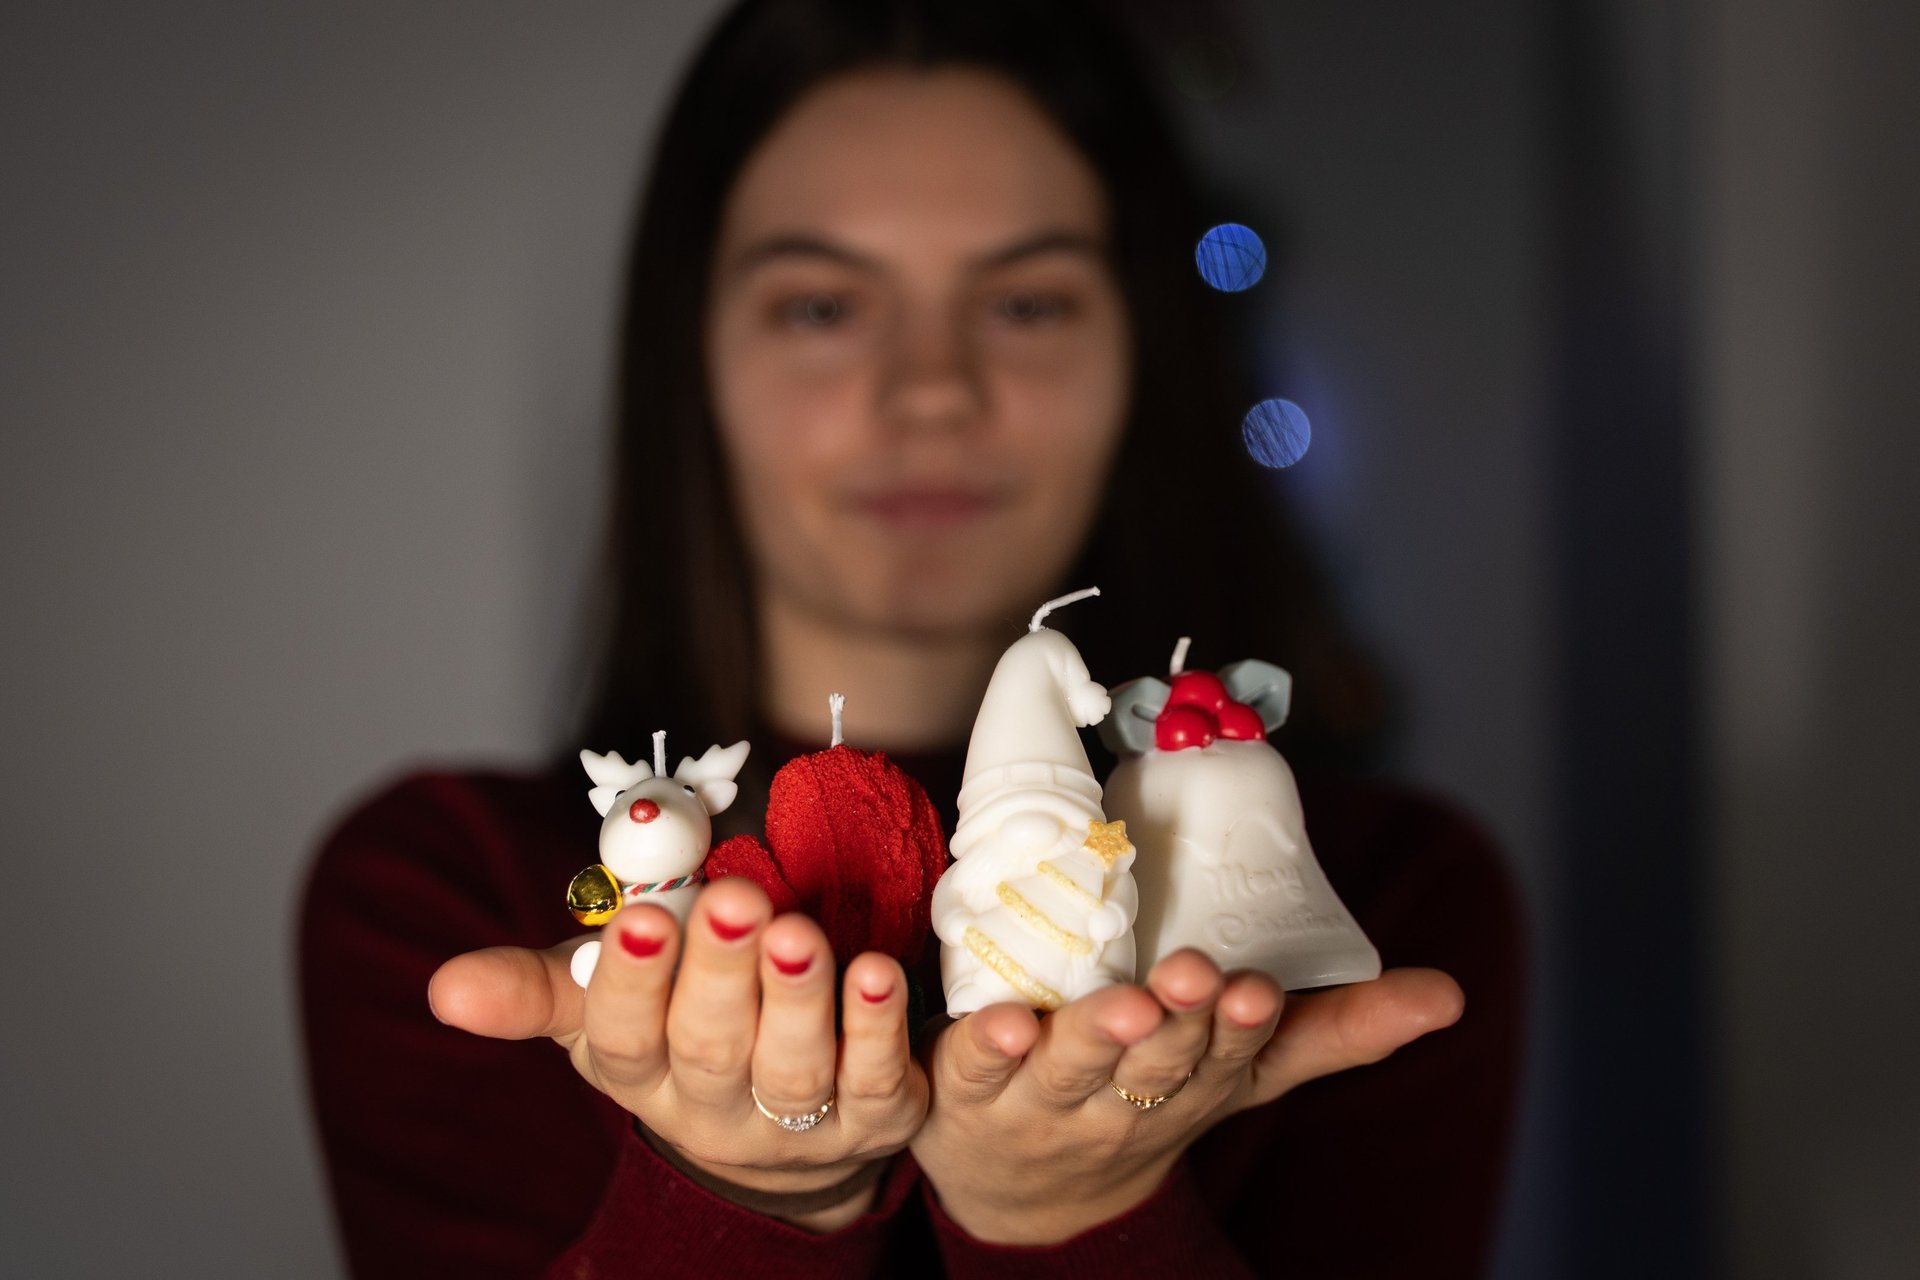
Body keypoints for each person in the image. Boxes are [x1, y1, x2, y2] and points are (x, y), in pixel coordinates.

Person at [299, 1, 1524, 1275]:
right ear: (693, 358)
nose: (931, 387)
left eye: (1029, 303)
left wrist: (1070, 1218)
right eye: (824, 307)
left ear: (1142, 352)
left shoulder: (1381, 901)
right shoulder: (453, 894)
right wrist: (744, 1206)